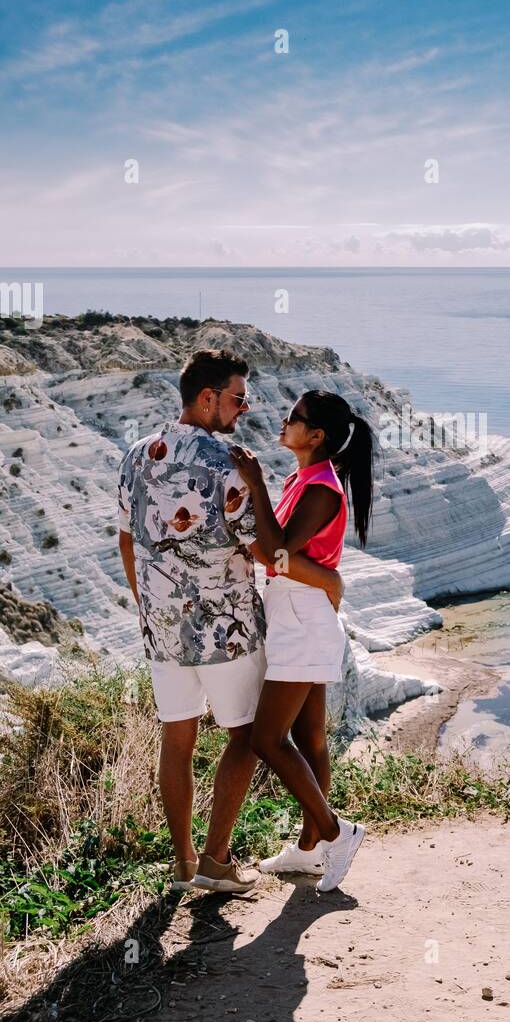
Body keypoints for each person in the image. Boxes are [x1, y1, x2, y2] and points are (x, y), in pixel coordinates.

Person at [117, 350, 343, 894]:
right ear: (208, 398)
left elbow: (127, 539)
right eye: (239, 398)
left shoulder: (136, 454)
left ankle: (183, 863)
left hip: (163, 630)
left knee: (178, 739)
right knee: (245, 736)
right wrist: (327, 581)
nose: (245, 409)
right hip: (227, 627)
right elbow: (269, 552)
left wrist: (147, 603)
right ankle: (217, 862)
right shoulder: (227, 465)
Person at [229, 390, 372, 893]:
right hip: (297, 612)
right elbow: (283, 557)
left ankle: (337, 832)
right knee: (310, 739)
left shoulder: (321, 489)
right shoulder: (307, 479)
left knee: (267, 739)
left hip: (302, 619)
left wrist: (257, 484)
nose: (283, 421)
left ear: (316, 436)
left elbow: (277, 556)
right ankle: (310, 850)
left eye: (294, 418)